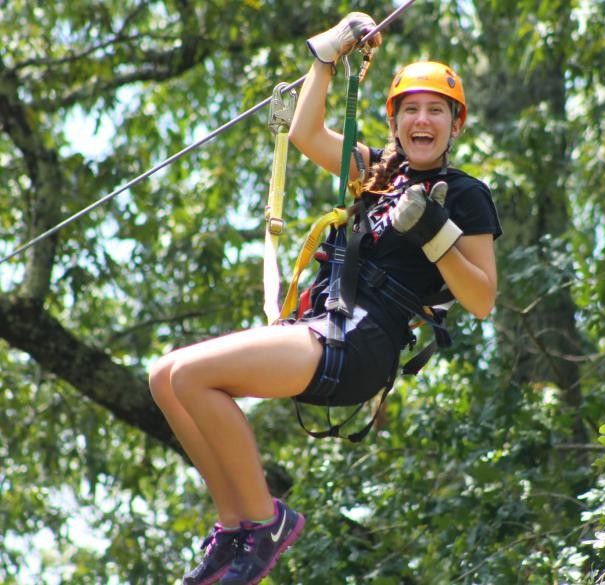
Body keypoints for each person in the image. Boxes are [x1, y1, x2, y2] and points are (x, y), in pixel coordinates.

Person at [148, 11, 501, 585]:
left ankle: (266, 522)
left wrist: (435, 232)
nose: (422, 119)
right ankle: (236, 528)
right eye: (410, 108)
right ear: (394, 120)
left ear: (454, 125)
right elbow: (306, 134)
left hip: (364, 340)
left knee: (192, 378)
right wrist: (327, 56)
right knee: (164, 377)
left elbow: (482, 298)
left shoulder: (465, 195)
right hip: (326, 325)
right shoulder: (374, 171)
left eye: (436, 109)